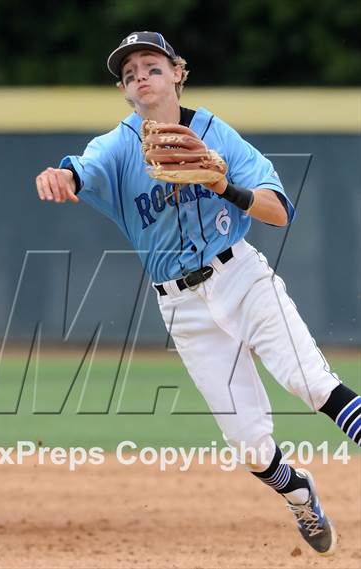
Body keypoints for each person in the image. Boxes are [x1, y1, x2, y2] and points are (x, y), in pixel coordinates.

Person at [35, 31, 361, 556]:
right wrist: (61, 174)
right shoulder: (117, 147)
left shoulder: (215, 134)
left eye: (152, 66)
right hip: (182, 306)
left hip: (242, 277)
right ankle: (298, 491)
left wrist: (222, 186)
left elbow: (279, 212)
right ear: (125, 91)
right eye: (129, 72)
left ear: (178, 74)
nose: (140, 75)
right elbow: (78, 170)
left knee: (313, 383)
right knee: (250, 448)